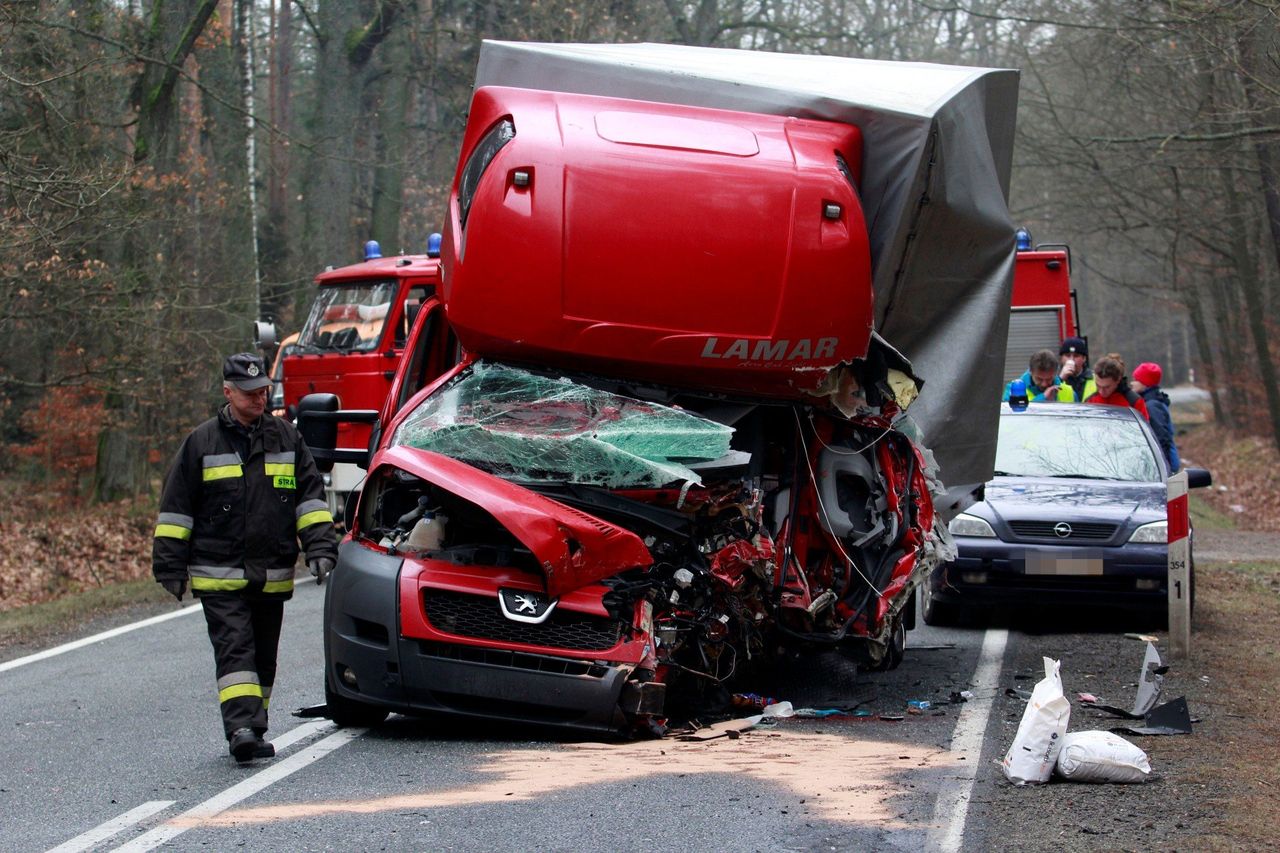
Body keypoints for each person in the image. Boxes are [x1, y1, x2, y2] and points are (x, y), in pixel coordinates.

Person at [152, 353, 338, 763]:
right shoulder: (200, 443)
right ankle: (240, 729)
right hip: (218, 573)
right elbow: (176, 510)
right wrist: (169, 564)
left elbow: (310, 501)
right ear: (228, 392)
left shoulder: (287, 438)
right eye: (251, 393)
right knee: (235, 649)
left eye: (264, 391)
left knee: (262, 657)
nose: (260, 398)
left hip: (270, 572)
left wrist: (321, 547)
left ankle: (255, 724)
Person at [1132, 361, 1180, 472]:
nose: (1132, 383)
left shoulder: (1151, 406)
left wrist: (1162, 468)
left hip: (1165, 464)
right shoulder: (1154, 401)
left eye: (1136, 380)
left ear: (1145, 383)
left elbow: (1161, 438)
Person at [1085, 353, 1149, 419]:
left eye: (1107, 387)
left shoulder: (1134, 401)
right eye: (1098, 386)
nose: (1101, 391)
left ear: (1118, 380)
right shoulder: (1090, 401)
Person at [1003, 349, 1077, 402]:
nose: (1044, 384)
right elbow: (1012, 416)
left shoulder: (1069, 392)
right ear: (1030, 372)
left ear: (1055, 373)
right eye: (1039, 379)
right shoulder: (1013, 391)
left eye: (1049, 379)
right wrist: (1043, 397)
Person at [1057, 336, 1096, 402]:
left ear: (1084, 359)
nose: (1071, 359)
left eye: (1076, 356)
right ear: (1061, 358)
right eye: (1067, 355)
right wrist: (1060, 379)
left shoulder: (1095, 379)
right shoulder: (1053, 380)